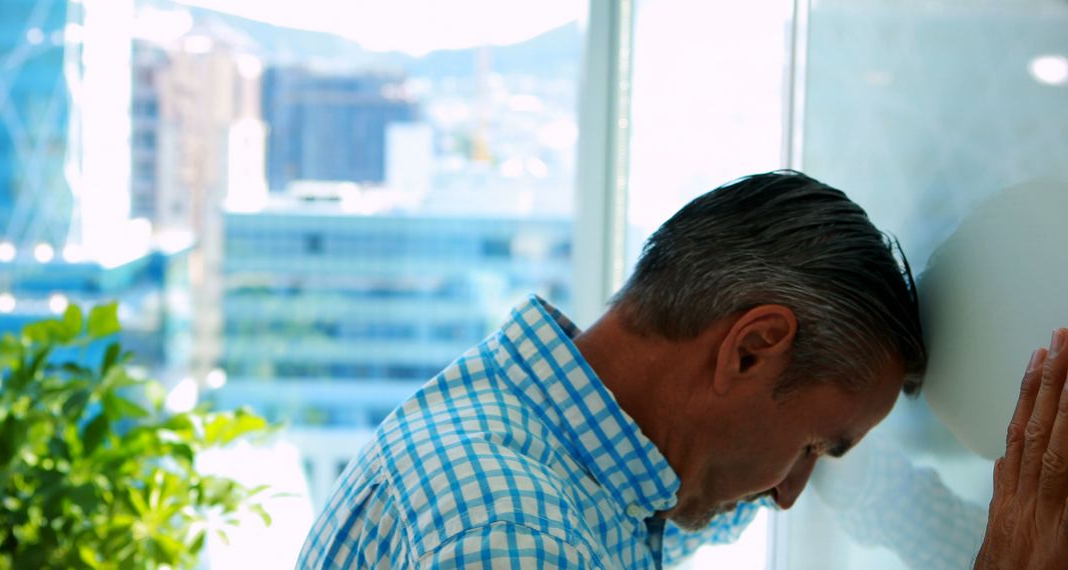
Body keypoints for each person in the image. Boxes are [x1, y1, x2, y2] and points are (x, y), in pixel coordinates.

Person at [296, 171, 1068, 569]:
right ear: (750, 349)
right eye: (811, 447)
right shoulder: (513, 533)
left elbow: (859, 485)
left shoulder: (578, 449)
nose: (789, 494)